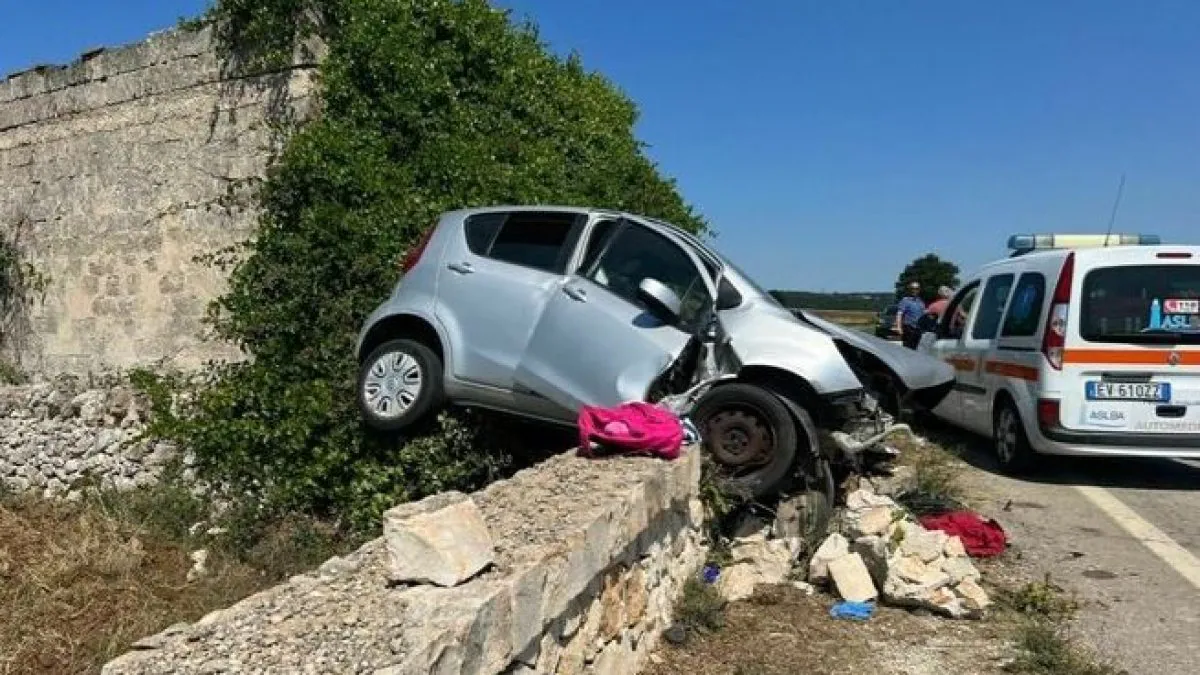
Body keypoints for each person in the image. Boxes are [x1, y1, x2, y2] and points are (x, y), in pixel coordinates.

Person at [894, 281, 926, 349]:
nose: (914, 290)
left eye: (916, 288)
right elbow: (899, 314)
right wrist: (899, 327)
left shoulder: (920, 302)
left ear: (919, 290)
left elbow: (923, 315)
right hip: (909, 328)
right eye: (912, 288)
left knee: (916, 348)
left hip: (918, 329)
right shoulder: (905, 300)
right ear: (909, 289)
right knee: (908, 348)